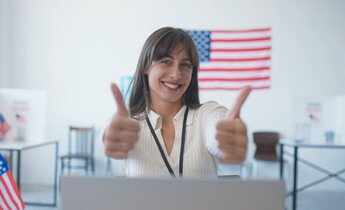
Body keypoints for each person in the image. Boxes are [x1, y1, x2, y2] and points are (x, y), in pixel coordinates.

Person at [103, 27, 250, 177]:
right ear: (146, 66)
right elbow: (110, 132)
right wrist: (110, 136)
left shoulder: (208, 113)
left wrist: (226, 139)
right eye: (166, 61)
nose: (176, 74)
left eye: (185, 65)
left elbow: (216, 132)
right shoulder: (128, 125)